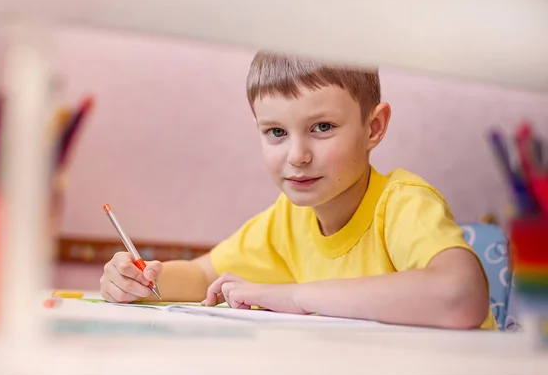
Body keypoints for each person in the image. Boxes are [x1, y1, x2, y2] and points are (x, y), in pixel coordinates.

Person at [100, 51, 496, 330]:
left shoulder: (402, 203)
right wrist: (141, 280)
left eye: (322, 127)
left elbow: (460, 295)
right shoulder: (288, 219)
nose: (298, 155)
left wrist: (295, 296)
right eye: (276, 132)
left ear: (373, 128)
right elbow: (204, 276)